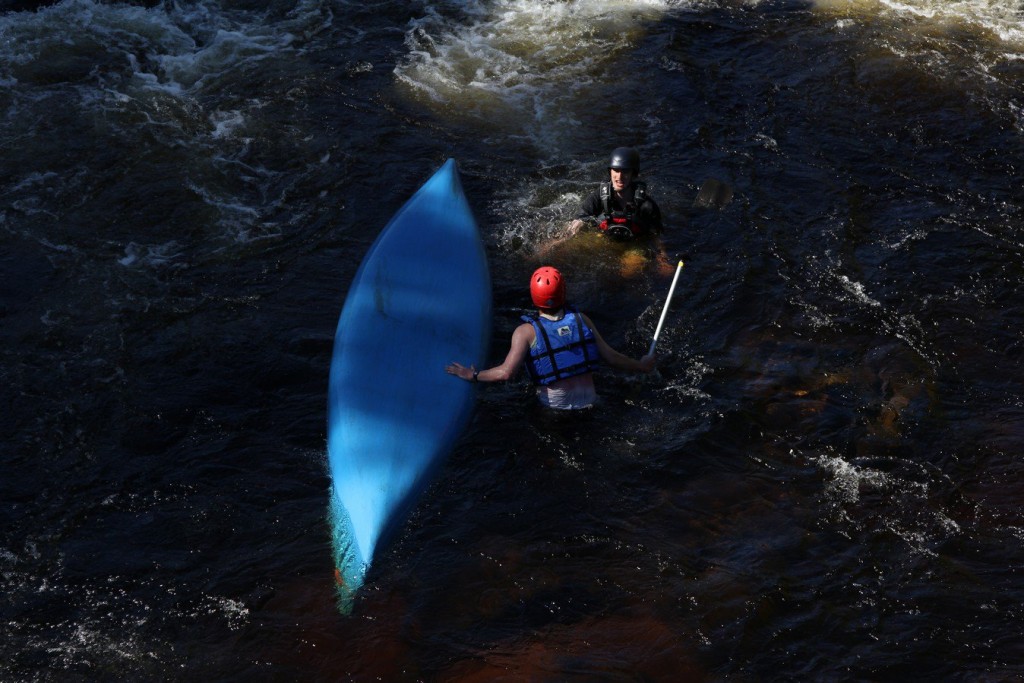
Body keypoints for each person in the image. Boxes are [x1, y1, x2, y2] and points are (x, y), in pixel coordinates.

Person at [445, 266, 657, 410]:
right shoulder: (582, 319)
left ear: (533, 296)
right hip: (592, 405)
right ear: (563, 292)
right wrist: (641, 365)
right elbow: (611, 357)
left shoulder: (526, 332)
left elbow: (505, 373)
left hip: (555, 412)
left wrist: (472, 374)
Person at [537, 147, 672, 276]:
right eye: (616, 170)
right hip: (603, 239)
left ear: (633, 174)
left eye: (625, 171)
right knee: (563, 254)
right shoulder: (599, 197)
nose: (619, 176)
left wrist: (662, 259)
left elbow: (657, 235)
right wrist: (555, 244)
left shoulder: (647, 205)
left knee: (628, 273)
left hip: (633, 245)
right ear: (610, 171)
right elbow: (579, 218)